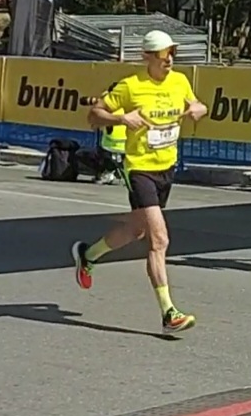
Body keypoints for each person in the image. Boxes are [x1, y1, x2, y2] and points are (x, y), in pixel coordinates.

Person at [72, 29, 208, 333]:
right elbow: (94, 115)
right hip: (139, 169)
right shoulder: (131, 86)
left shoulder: (180, 81)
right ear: (147, 56)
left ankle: (87, 255)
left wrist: (198, 108)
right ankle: (169, 313)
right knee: (159, 240)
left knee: (135, 230)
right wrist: (122, 118)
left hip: (166, 168)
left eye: (172, 53)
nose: (169, 59)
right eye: (162, 54)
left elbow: (198, 104)